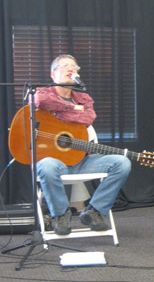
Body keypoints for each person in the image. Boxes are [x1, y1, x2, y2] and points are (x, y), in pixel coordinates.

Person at [34, 54, 131, 235]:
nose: (71, 70)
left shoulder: (84, 98)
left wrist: (60, 112)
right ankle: (61, 215)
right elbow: (40, 102)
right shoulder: (42, 93)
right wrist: (72, 109)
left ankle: (94, 210)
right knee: (46, 166)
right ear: (53, 74)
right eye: (65, 66)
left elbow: (88, 118)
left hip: (83, 160)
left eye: (75, 67)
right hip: (55, 163)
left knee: (122, 163)